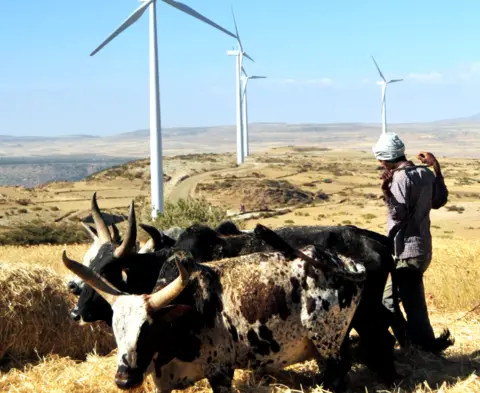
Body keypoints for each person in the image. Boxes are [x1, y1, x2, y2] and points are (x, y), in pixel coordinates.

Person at [372, 132, 453, 352]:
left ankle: (413, 345)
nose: (380, 164)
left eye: (380, 160)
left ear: (385, 159)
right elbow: (439, 201)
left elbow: (398, 216)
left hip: (406, 250)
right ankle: (422, 344)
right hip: (423, 248)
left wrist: (386, 191)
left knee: (390, 302)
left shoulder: (399, 178)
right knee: (412, 300)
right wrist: (435, 167)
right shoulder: (424, 174)